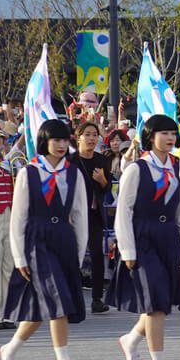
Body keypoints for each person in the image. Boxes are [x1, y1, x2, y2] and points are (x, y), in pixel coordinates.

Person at [0, 119, 88, 360]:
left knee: (41, 307)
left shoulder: (73, 173)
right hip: (36, 240)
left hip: (63, 238)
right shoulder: (29, 172)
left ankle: (9, 349)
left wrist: (79, 253)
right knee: (57, 296)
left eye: (65, 140)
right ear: (44, 142)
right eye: (56, 140)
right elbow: (19, 217)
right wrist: (19, 256)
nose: (61, 145)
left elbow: (80, 215)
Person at [106, 114, 180, 360]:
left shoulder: (177, 168)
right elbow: (124, 211)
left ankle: (131, 339)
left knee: (163, 300)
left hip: (169, 238)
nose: (169, 138)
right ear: (150, 137)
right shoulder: (136, 168)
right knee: (155, 303)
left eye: (172, 133)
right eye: (163, 133)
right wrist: (127, 250)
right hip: (143, 237)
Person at [70, 121, 113, 313]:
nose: (91, 138)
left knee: (97, 255)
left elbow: (108, 187)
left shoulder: (101, 160)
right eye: (87, 134)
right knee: (72, 256)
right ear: (78, 137)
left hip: (94, 214)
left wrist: (102, 180)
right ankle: (71, 297)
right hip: (73, 216)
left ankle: (97, 299)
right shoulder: (70, 160)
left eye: (94, 134)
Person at [0, 128, 17, 329]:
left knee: (8, 265)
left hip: (9, 215)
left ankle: (7, 313)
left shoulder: (9, 164)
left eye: (1, 139)